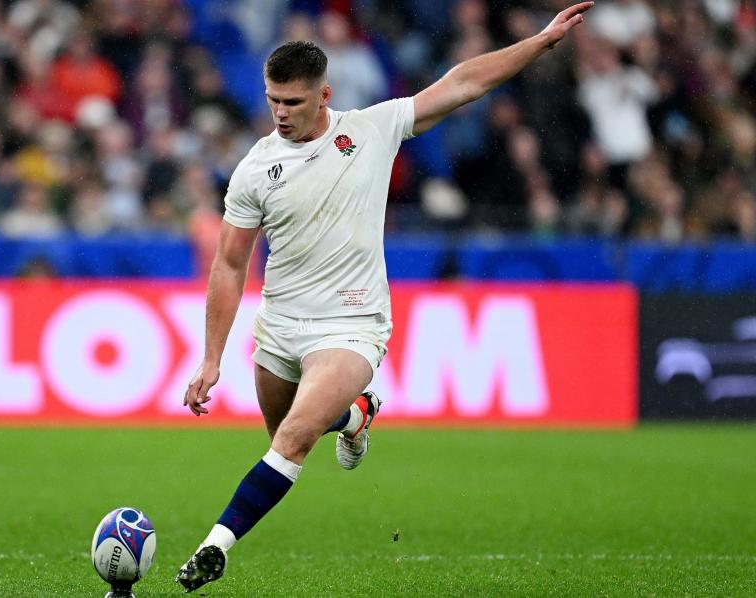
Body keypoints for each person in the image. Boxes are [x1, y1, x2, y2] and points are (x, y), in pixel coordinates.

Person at [174, 3, 594, 593]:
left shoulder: (371, 129)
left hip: (351, 324)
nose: (280, 113)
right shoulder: (254, 170)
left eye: (293, 102)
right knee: (285, 439)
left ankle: (214, 547)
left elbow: (465, 82)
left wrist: (540, 42)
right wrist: (212, 357)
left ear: (325, 93)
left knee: (293, 439)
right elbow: (229, 263)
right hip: (280, 328)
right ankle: (356, 415)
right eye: (273, 101)